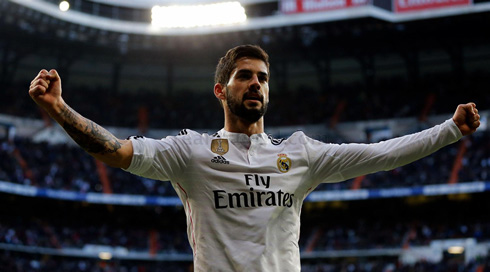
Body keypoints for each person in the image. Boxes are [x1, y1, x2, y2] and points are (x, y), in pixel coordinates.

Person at [29, 45, 480, 271]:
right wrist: (58, 109)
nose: (256, 84)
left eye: (262, 78)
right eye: (244, 76)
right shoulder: (190, 153)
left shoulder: (300, 153)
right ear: (221, 90)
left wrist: (448, 130)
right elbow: (115, 150)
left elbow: (381, 154)